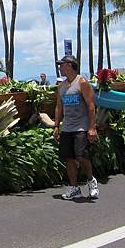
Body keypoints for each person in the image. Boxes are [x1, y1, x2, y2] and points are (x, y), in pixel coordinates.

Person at [53, 55, 99, 200]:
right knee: (68, 158)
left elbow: (91, 106)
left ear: (69, 65)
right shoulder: (61, 86)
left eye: (62, 65)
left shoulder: (82, 83)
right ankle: (74, 188)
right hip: (67, 127)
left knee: (81, 155)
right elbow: (59, 107)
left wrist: (92, 128)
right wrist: (56, 126)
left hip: (81, 126)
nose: (60, 67)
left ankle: (91, 181)